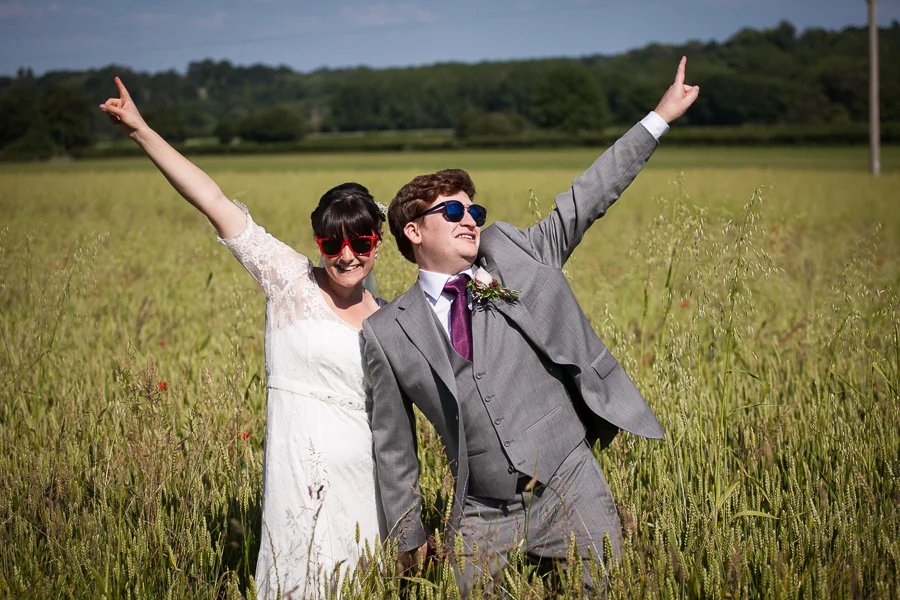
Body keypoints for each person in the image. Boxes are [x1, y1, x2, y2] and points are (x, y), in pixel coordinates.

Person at [363, 57, 700, 596]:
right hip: (482, 507)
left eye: (474, 211)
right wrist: (408, 536)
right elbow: (394, 445)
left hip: (570, 483)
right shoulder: (387, 331)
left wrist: (659, 117)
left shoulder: (515, 254)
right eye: (452, 212)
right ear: (413, 231)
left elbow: (586, 198)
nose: (470, 220)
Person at [100, 78, 386, 599]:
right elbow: (211, 198)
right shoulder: (289, 282)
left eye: (360, 242)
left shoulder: (390, 317)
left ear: (378, 242)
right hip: (297, 473)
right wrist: (140, 131)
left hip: (365, 481)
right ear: (318, 243)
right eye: (332, 244)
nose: (346, 256)